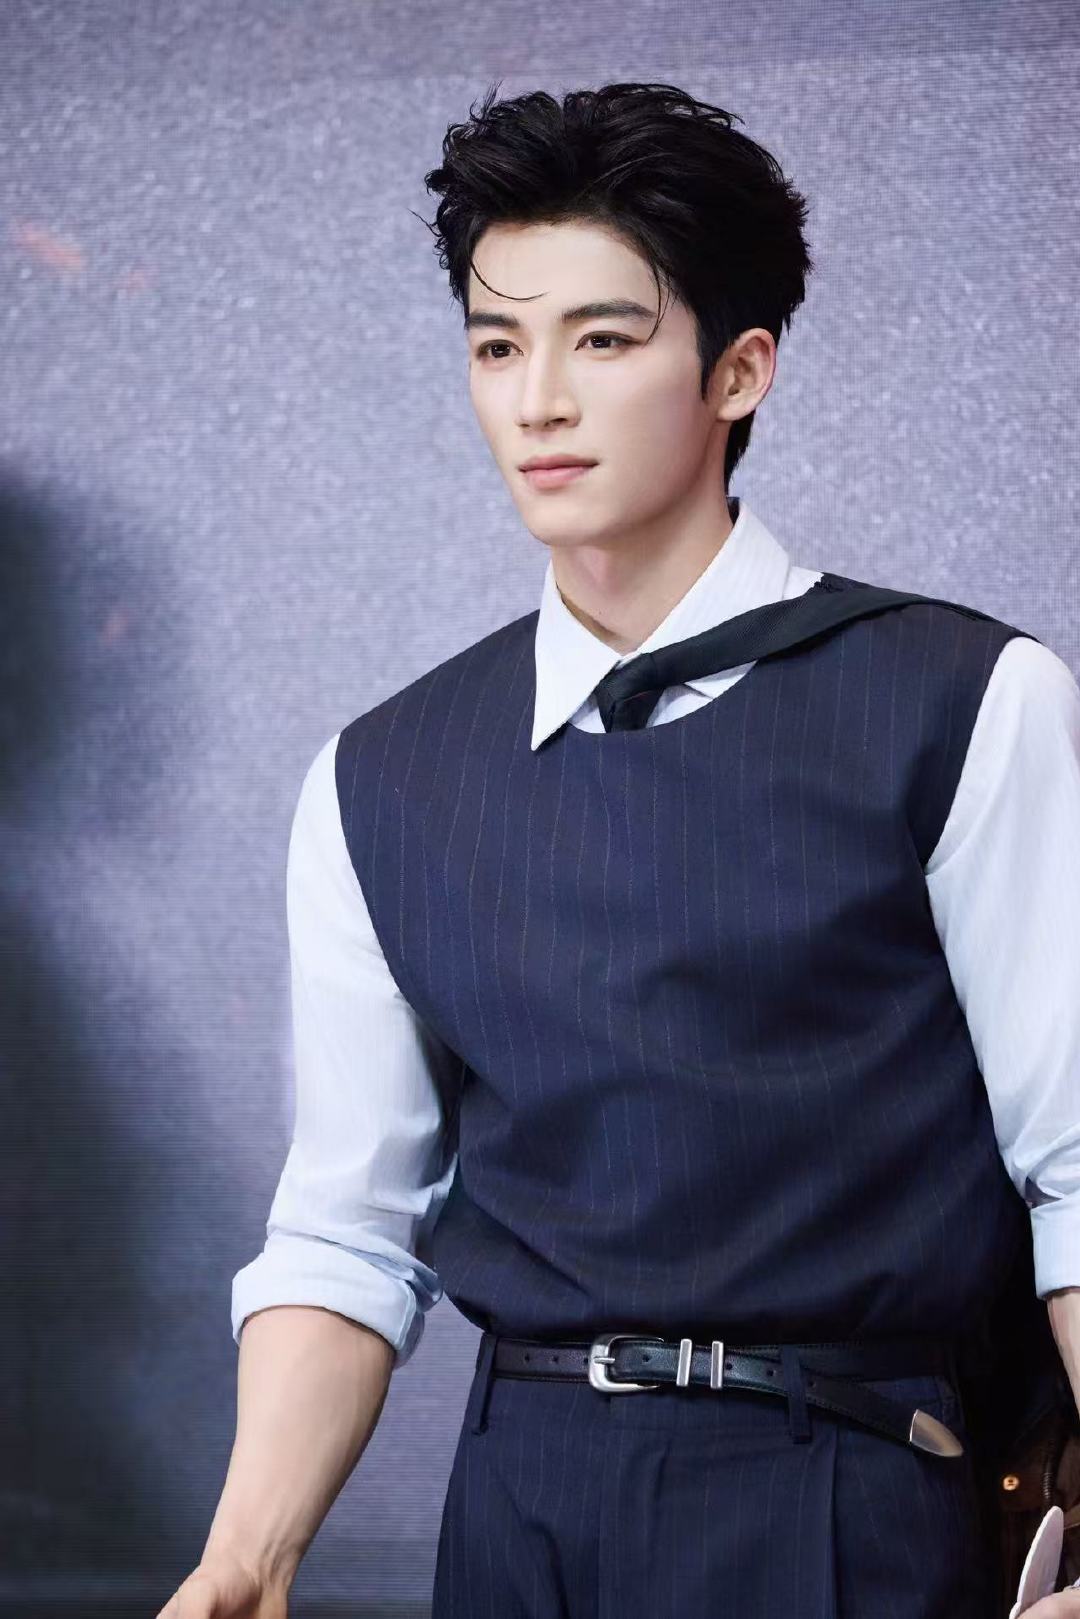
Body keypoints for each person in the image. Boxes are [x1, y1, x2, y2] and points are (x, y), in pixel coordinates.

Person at [158, 81, 1080, 1618]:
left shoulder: (967, 702)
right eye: (495, 346)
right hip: (517, 1507)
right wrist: (248, 1556)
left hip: (842, 1488)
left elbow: (1077, 1163)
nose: (537, 403)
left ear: (739, 369)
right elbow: (345, 1227)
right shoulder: (380, 776)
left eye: (601, 339)